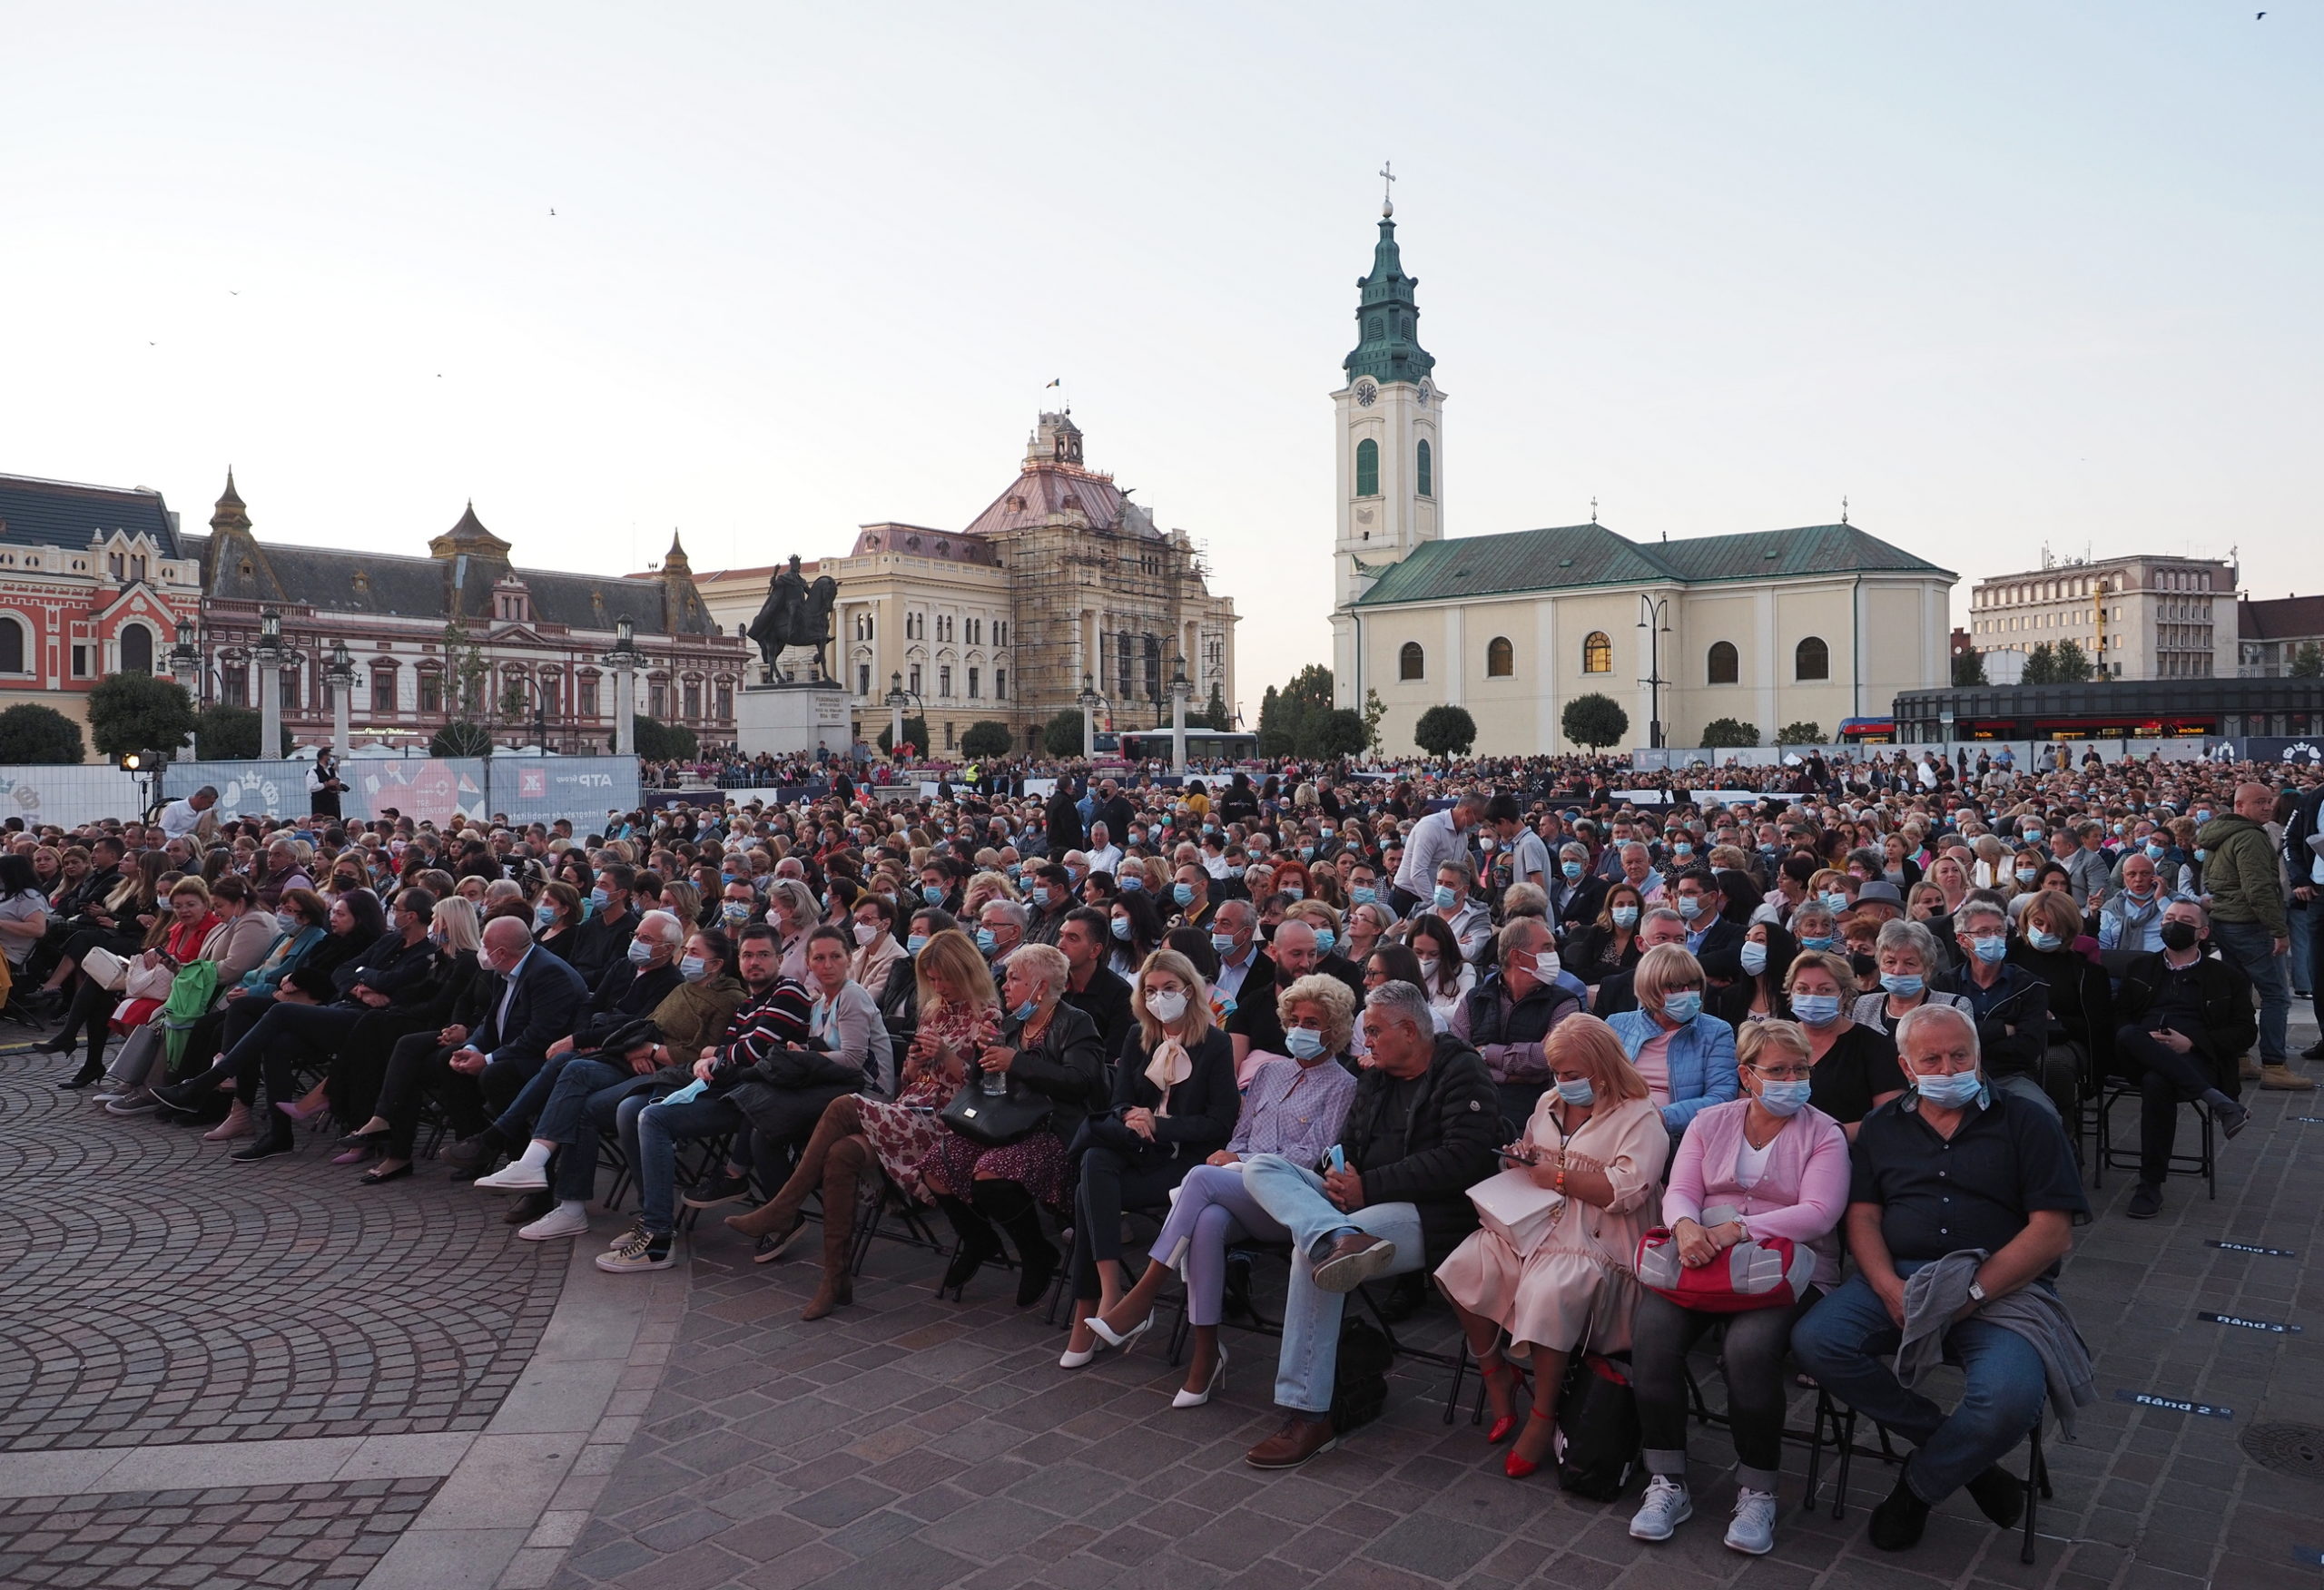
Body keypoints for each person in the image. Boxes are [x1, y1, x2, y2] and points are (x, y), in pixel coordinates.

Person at [1791, 1003, 2091, 1554]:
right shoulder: (1883, 1126)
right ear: (1907, 1068)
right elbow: (1862, 1215)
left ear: (1978, 1056)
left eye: (1961, 1056)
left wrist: (1970, 1296)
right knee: (1816, 1341)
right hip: (1900, 1278)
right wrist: (1884, 1285)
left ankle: (1919, 1487)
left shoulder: (2027, 1121)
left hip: (2000, 1285)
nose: (1950, 1069)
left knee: (2009, 1397)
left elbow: (2052, 1233)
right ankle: (1960, 1456)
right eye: (1933, 1058)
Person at [1240, 981, 1500, 1470]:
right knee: (1261, 1168)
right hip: (1359, 1209)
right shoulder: (1378, 1077)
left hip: (1430, 1213)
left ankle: (1308, 1414)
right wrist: (1338, 1177)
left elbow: (1464, 1159)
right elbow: (1351, 1144)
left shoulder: (1462, 1071)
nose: (1367, 1043)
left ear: (1409, 1030)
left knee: (1309, 1258)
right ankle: (1336, 1235)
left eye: (1375, 1032)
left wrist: (1368, 1187)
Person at [1086, 976, 1361, 1406]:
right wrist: (1229, 1156)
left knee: (1198, 1178)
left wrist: (1237, 1162)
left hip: (1290, 1201)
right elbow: (1239, 1136)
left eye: (1313, 1022)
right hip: (1238, 1192)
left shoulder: (1343, 1086)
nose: (1301, 1028)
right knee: (1209, 1218)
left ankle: (1144, 1295)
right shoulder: (1270, 1072)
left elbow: (1311, 1160)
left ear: (1335, 1030)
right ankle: (1205, 1354)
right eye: (1295, 1019)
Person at [1629, 1020, 1848, 1556]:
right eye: (1778, 1070)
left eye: (1800, 1069)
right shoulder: (1711, 1121)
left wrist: (1738, 1229)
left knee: (1748, 1351)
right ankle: (1667, 1481)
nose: (1792, 1079)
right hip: (1704, 1262)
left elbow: (1819, 1214)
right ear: (1747, 1075)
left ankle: (1757, 1490)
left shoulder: (1824, 1132)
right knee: (1652, 1341)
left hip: (1785, 1269)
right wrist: (1685, 1227)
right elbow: (1679, 1189)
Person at [1436, 1014, 1669, 1480]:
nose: (1561, 1082)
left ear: (1603, 1068)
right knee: (1467, 1263)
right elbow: (1533, 1156)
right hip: (1537, 1225)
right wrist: (1522, 1160)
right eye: (1556, 1072)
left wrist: (1559, 1176)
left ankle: (1543, 1416)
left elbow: (1629, 1191)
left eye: (1571, 1074)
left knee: (1554, 1286)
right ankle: (1497, 1376)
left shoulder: (1640, 1115)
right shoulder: (1547, 1102)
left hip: (1601, 1240)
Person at [724, 929, 996, 1316]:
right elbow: (909, 1079)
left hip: (945, 1121)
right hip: (909, 1110)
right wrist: (917, 1061)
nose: (938, 986)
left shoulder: (987, 1015)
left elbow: (983, 1089)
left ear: (964, 970)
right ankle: (835, 1280)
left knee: (842, 1106)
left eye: (943, 977)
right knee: (840, 1155)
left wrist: (948, 1057)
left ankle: (783, 1207)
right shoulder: (934, 1010)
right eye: (931, 978)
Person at [1059, 949, 1238, 1366]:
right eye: (1151, 990)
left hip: (1181, 1164)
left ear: (1189, 991)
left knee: (1090, 1188)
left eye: (1169, 989)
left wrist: (1162, 1125)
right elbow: (1119, 1101)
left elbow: (1220, 1123)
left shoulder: (1215, 1044)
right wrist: (1132, 1117)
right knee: (1095, 1164)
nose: (1160, 998)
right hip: (1135, 1150)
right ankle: (1111, 1292)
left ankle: (1091, 1310)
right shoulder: (1139, 1036)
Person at [922, 943, 1108, 1306]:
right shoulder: (1010, 1025)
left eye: (1014, 978)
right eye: (1006, 977)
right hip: (1007, 1126)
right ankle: (978, 1239)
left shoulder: (1075, 1022)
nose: (1004, 986)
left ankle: (1036, 1252)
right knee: (936, 1163)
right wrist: (981, 1055)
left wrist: (1017, 1063)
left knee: (992, 1172)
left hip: (1056, 1130)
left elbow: (1083, 1082)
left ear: (1040, 987)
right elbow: (983, 1084)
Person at [2111, 899, 2256, 1218]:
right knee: (2127, 1035)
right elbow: (2118, 1018)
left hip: (2195, 1059)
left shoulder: (2227, 977)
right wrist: (2144, 1039)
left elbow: (2245, 1033)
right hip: (2136, 1052)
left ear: (2202, 932)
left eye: (2185, 920)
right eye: (2169, 918)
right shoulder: (2141, 968)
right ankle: (2219, 1102)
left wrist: (2193, 1043)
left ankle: (2150, 1185)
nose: (2174, 924)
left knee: (2157, 1081)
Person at [2200, 783, 2302, 1089]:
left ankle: (2240, 1058)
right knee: (2275, 996)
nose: (2268, 807)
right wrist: (2278, 930)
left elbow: (2210, 880)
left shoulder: (2218, 833)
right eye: (2259, 802)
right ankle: (2275, 1065)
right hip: (2251, 925)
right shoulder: (2250, 838)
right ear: (2240, 806)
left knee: (2239, 992)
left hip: (2226, 922)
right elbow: (2259, 889)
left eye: (2269, 801)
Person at [1933, 898, 2057, 1120]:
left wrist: (1969, 1040)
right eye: (1983, 932)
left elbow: (2028, 1046)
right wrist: (2001, 1029)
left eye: (1999, 931)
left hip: (2009, 1076)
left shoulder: (2029, 985)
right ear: (1963, 939)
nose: (1994, 938)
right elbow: (1939, 1040)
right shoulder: (1945, 984)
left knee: (2045, 1117)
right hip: (1954, 1076)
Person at [1453, 918, 1582, 1124]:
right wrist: (1512, 1076)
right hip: (1470, 1107)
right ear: (1517, 956)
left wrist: (1486, 1052)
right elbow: (1456, 1060)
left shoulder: (1564, 1003)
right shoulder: (1474, 999)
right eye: (1546, 948)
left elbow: (1548, 1057)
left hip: (1533, 1114)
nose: (1554, 956)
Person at [1604, 945, 1740, 1136]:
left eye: (1694, 984)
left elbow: (1721, 1097)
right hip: (1614, 1125)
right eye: (1675, 986)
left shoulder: (1716, 1031)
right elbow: (1598, 1084)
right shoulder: (1617, 1025)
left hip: (1675, 1134)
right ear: (1650, 987)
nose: (1687, 992)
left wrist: (1660, 1117)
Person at [1783, 949, 1905, 1136]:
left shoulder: (1874, 1046)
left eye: (1825, 990)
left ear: (1845, 994)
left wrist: (1824, 1138)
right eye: (1803, 989)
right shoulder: (1776, 1042)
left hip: (1849, 1153)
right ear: (1790, 992)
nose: (1812, 997)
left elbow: (1888, 1118)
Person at [1849, 919, 1970, 1038]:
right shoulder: (1863, 1005)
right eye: (1890, 962)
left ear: (1928, 969)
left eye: (1910, 963)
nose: (1898, 971)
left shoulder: (1953, 1007)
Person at [1563, 883, 1646, 986]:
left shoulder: (1644, 937)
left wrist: (1600, 967)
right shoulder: (1597, 932)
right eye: (1620, 904)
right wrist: (1620, 971)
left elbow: (1638, 975)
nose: (1626, 909)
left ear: (1638, 908)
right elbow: (1580, 971)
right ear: (1610, 910)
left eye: (1632, 904)